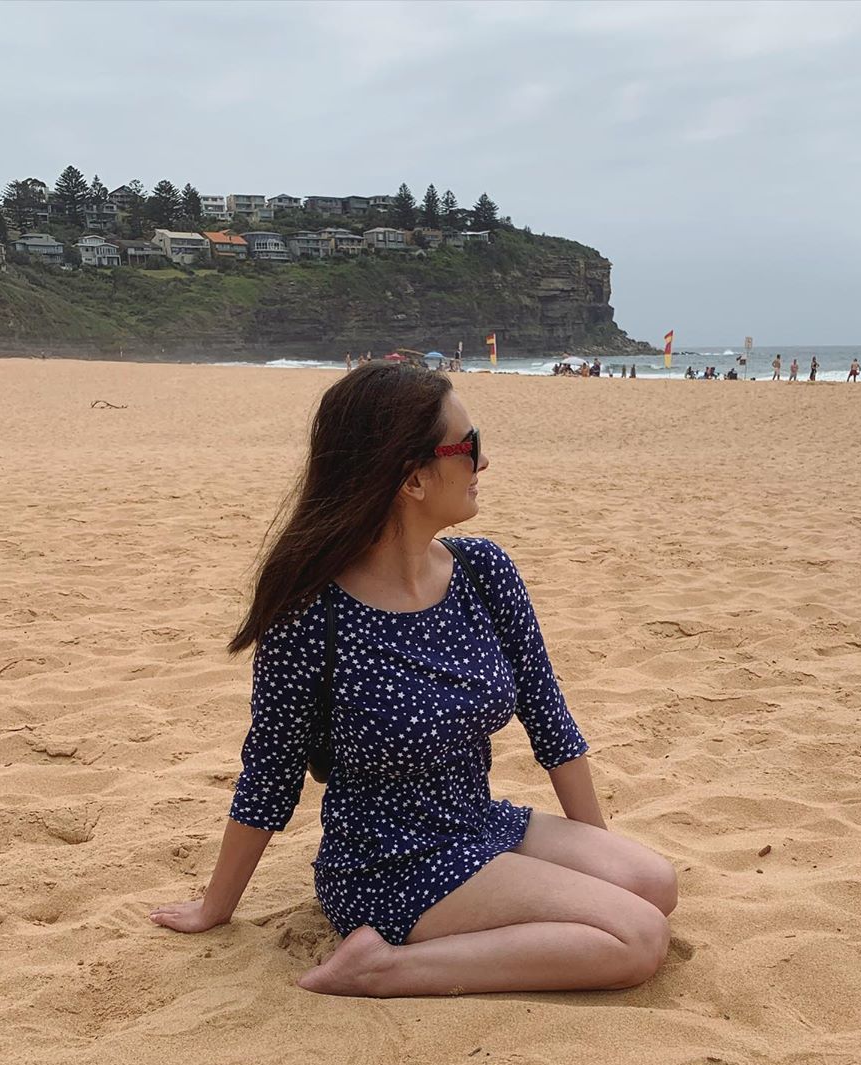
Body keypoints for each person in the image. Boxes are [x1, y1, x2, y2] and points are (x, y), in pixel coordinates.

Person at [147, 362, 677, 997]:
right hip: (387, 862)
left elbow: (549, 718)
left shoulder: (483, 571)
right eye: (470, 446)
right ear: (414, 478)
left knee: (652, 885)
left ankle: (503, 928)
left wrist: (593, 872)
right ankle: (381, 968)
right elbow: (272, 769)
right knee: (638, 938)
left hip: (478, 820)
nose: (484, 462)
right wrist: (216, 907)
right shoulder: (310, 612)